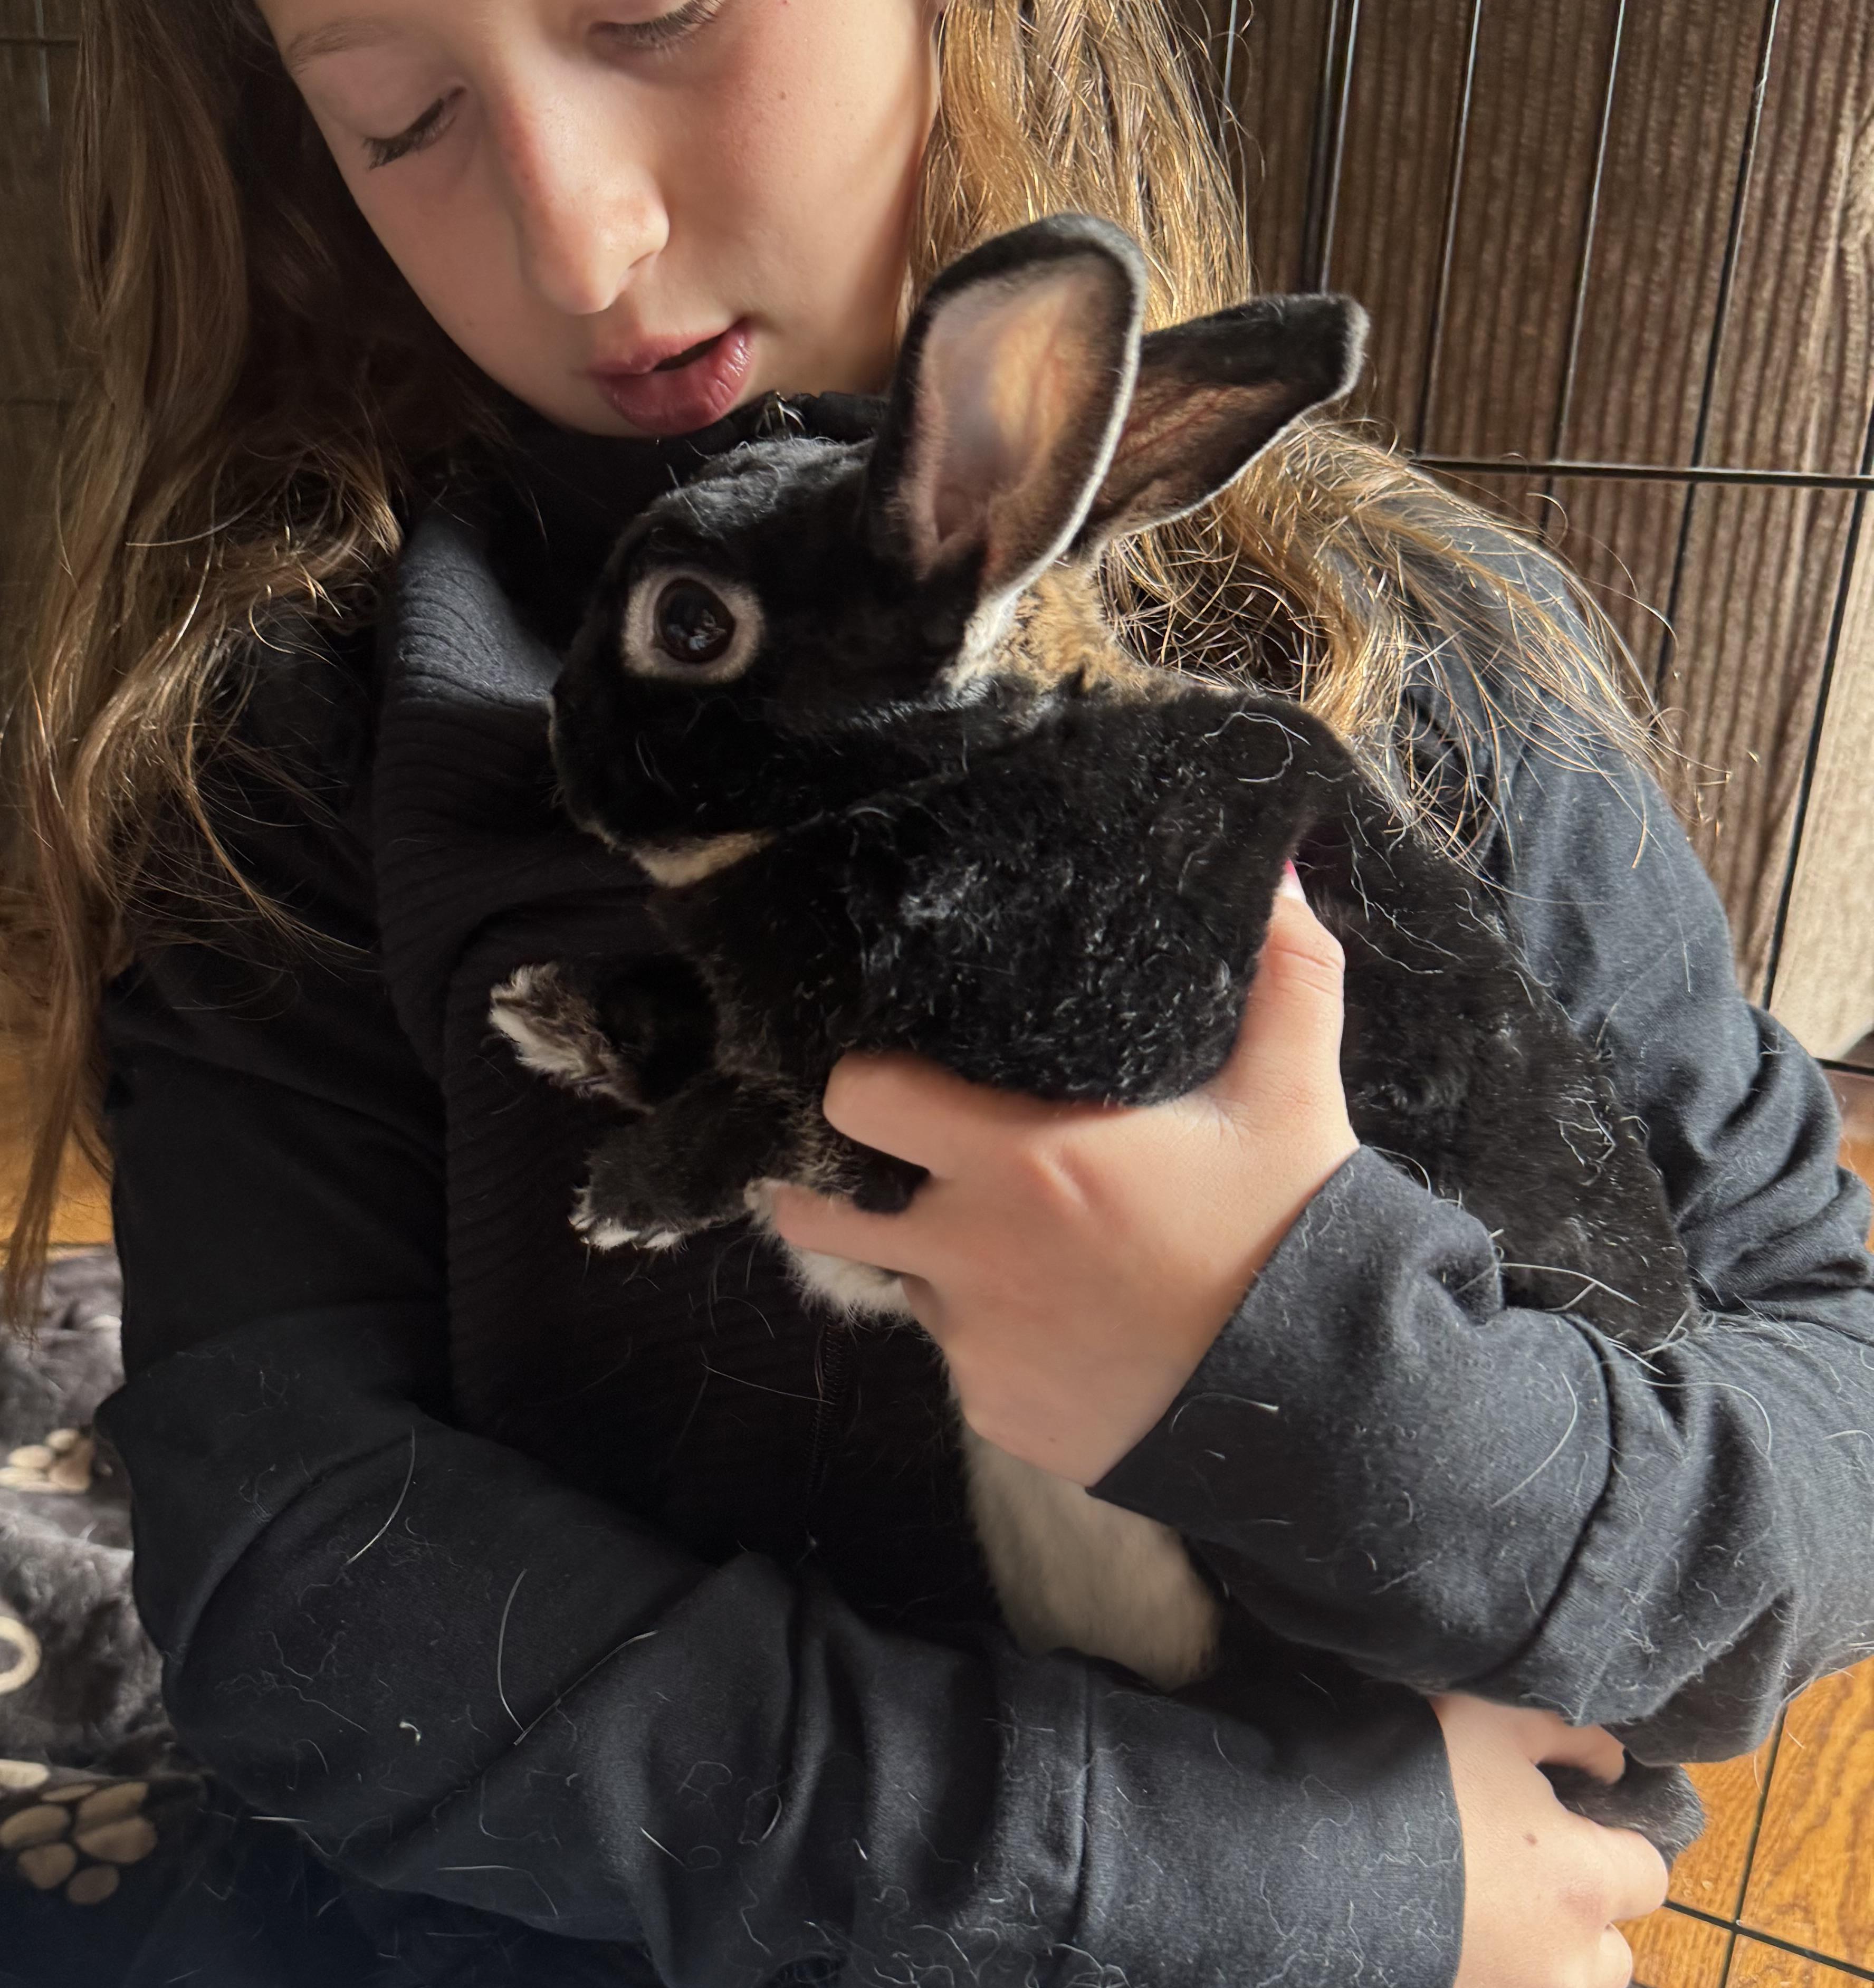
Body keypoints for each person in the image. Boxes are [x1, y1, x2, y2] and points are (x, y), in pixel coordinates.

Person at [3, 2, 1870, 1983]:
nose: (580, 243)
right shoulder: (302, 746)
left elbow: (1817, 1441)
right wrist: (1272, 1878)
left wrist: (1314, 1369)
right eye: (401, 120)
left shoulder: (1436, 672)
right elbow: (300, 1589)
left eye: (652, 8)